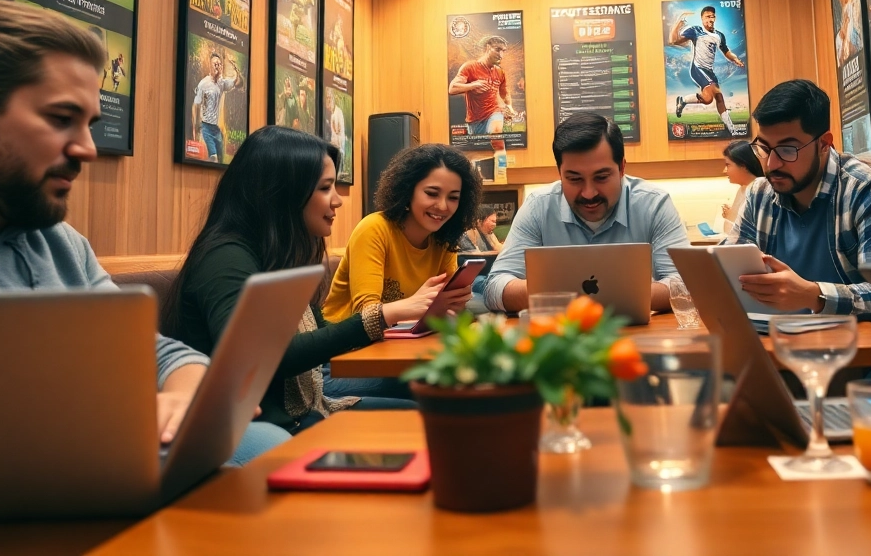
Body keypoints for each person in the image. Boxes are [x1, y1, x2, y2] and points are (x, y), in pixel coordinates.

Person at [0, 0, 285, 465]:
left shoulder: (61, 243)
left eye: (89, 124)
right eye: (60, 119)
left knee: (271, 445)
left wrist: (187, 393)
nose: (88, 149)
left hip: (100, 474)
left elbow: (153, 352)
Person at [162, 127, 419, 434]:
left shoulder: (279, 254)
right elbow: (266, 356)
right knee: (419, 420)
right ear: (282, 193)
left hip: (308, 409)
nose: (337, 201)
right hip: (260, 427)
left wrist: (399, 323)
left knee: (422, 411)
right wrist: (381, 316)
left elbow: (322, 335)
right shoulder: (225, 258)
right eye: (325, 188)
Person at [726, 79, 871, 314]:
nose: (772, 164)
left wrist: (814, 296)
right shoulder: (760, 194)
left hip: (855, 344)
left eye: (787, 150)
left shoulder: (870, 189)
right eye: (763, 148)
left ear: (824, 144)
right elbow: (725, 273)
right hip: (774, 340)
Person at [484, 112, 692, 313]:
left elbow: (687, 284)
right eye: (574, 179)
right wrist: (567, 297)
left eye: (601, 177)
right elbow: (494, 287)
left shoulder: (653, 204)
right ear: (560, 174)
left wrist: (588, 299)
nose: (589, 193)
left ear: (621, 169)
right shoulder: (538, 207)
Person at [323, 144, 478, 395]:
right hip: (341, 361)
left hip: (399, 354)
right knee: (433, 386)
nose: (442, 206)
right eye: (432, 193)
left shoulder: (445, 241)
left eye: (453, 197)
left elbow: (441, 314)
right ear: (408, 191)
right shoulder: (374, 229)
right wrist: (415, 306)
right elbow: (365, 314)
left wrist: (452, 311)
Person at [669, 6, 747, 136]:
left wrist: (735, 59)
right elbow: (674, 41)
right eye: (707, 17)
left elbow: (726, 51)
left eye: (712, 17)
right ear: (702, 18)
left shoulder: (719, 35)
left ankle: (732, 129)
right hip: (697, 68)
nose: (710, 19)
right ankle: (683, 101)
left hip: (709, 72)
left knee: (719, 98)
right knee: (710, 97)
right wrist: (678, 22)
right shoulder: (695, 31)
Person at [449, 35, 515, 136]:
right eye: (497, 50)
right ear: (488, 47)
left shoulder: (500, 72)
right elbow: (452, 88)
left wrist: (509, 106)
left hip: (494, 113)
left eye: (503, 51)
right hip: (474, 121)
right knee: (480, 147)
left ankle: (500, 151)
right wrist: (473, 85)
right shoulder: (470, 66)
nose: (501, 55)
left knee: (496, 135)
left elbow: (505, 92)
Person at [193, 49, 242, 162]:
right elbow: (196, 104)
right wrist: (196, 125)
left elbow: (237, 82)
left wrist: (235, 68)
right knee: (213, 158)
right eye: (215, 64)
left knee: (221, 160)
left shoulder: (222, 83)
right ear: (210, 66)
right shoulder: (203, 83)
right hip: (206, 127)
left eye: (219, 64)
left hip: (216, 129)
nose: (217, 66)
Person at [720, 139, 763, 232]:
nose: (724, 171)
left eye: (728, 165)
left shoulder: (760, 192)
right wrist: (731, 214)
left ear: (743, 166)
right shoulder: (742, 189)